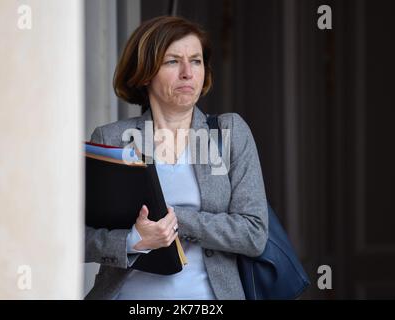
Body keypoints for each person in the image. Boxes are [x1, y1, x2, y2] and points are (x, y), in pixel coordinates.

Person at [85, 15, 268, 300]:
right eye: (173, 61)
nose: (188, 72)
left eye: (196, 61)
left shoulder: (229, 132)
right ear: (145, 72)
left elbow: (253, 233)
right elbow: (77, 237)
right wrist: (135, 240)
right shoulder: (111, 138)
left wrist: (176, 219)